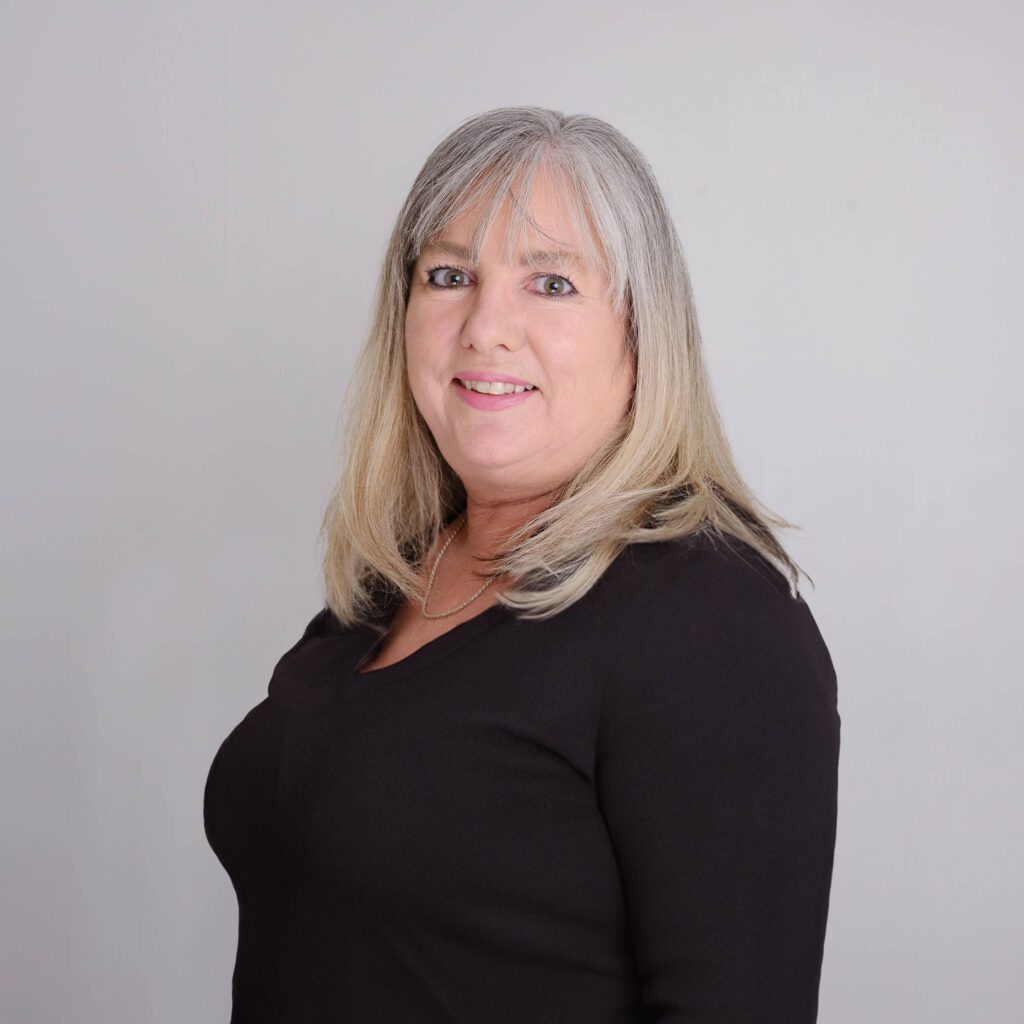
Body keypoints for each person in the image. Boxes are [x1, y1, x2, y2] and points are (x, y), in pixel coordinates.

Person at [203, 106, 840, 1023]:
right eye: (451, 276)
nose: (485, 327)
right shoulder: (388, 590)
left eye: (551, 282)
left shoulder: (712, 623)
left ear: (640, 334)